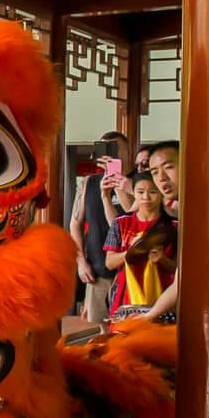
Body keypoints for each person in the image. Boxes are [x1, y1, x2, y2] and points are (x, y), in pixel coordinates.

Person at [69, 130, 128, 323]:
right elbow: (75, 224)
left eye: (116, 150)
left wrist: (119, 183)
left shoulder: (137, 183)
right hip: (97, 266)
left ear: (128, 152)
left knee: (127, 326)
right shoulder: (89, 183)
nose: (111, 155)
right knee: (100, 324)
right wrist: (80, 262)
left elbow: (131, 215)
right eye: (106, 149)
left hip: (129, 268)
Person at [106, 171, 177, 320]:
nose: (146, 197)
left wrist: (162, 259)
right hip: (125, 295)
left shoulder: (174, 226)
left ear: (162, 192)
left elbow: (180, 271)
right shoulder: (120, 223)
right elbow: (110, 263)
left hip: (163, 296)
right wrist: (132, 252)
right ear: (134, 193)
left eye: (153, 192)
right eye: (140, 192)